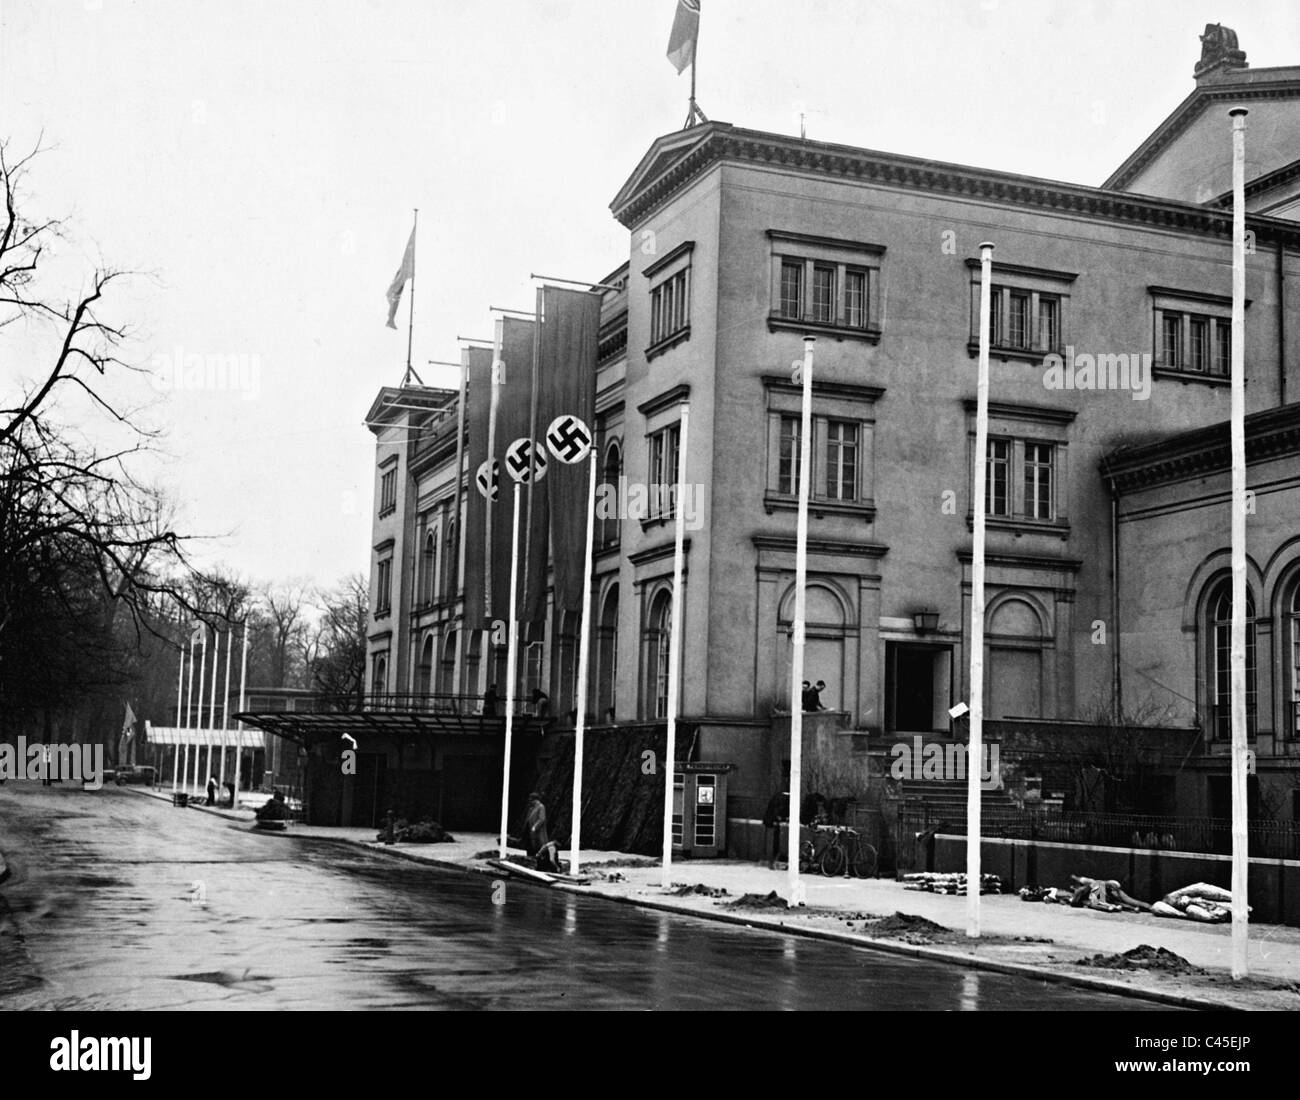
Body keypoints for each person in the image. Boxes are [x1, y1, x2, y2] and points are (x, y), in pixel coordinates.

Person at [522, 791, 561, 872]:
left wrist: (535, 827)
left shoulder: (541, 807)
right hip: (530, 833)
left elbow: (541, 819)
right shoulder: (531, 808)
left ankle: (541, 865)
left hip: (538, 833)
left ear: (535, 800)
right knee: (530, 848)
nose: (531, 802)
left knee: (539, 848)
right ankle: (532, 862)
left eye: (532, 800)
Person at [761, 788, 790, 870]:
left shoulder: (778, 797)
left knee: (774, 843)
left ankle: (772, 861)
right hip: (776, 823)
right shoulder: (784, 799)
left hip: (772, 822)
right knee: (776, 843)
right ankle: (773, 861)